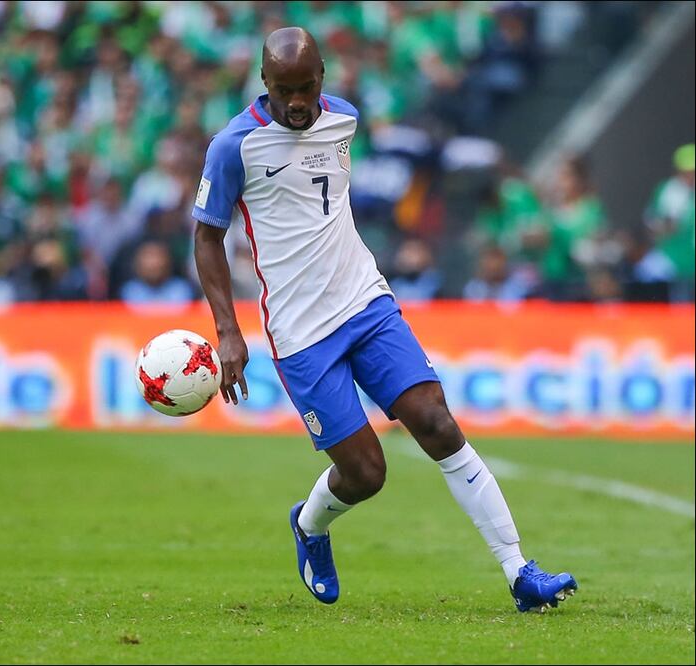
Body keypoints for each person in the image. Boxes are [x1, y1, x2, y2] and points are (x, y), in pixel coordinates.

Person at [190, 27, 577, 613]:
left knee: (436, 422)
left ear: (324, 78)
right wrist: (227, 330)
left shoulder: (343, 119)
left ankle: (519, 571)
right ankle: (310, 526)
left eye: (307, 87)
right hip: (301, 334)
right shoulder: (233, 146)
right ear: (263, 84)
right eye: (284, 91)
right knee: (367, 473)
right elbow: (206, 236)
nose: (298, 102)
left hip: (366, 303)